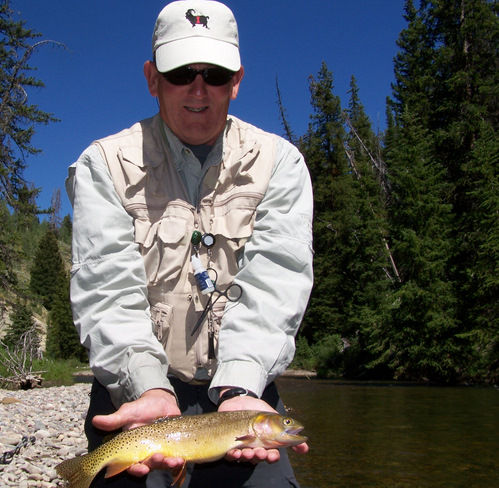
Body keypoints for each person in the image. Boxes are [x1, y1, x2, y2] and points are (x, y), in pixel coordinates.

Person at [65, 1, 313, 486]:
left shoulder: (281, 164)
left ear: (236, 80)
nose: (198, 89)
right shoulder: (104, 164)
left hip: (240, 392)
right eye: (181, 72)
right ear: (152, 78)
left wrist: (241, 385)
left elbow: (275, 284)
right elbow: (106, 288)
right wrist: (146, 385)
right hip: (136, 389)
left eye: (215, 73)